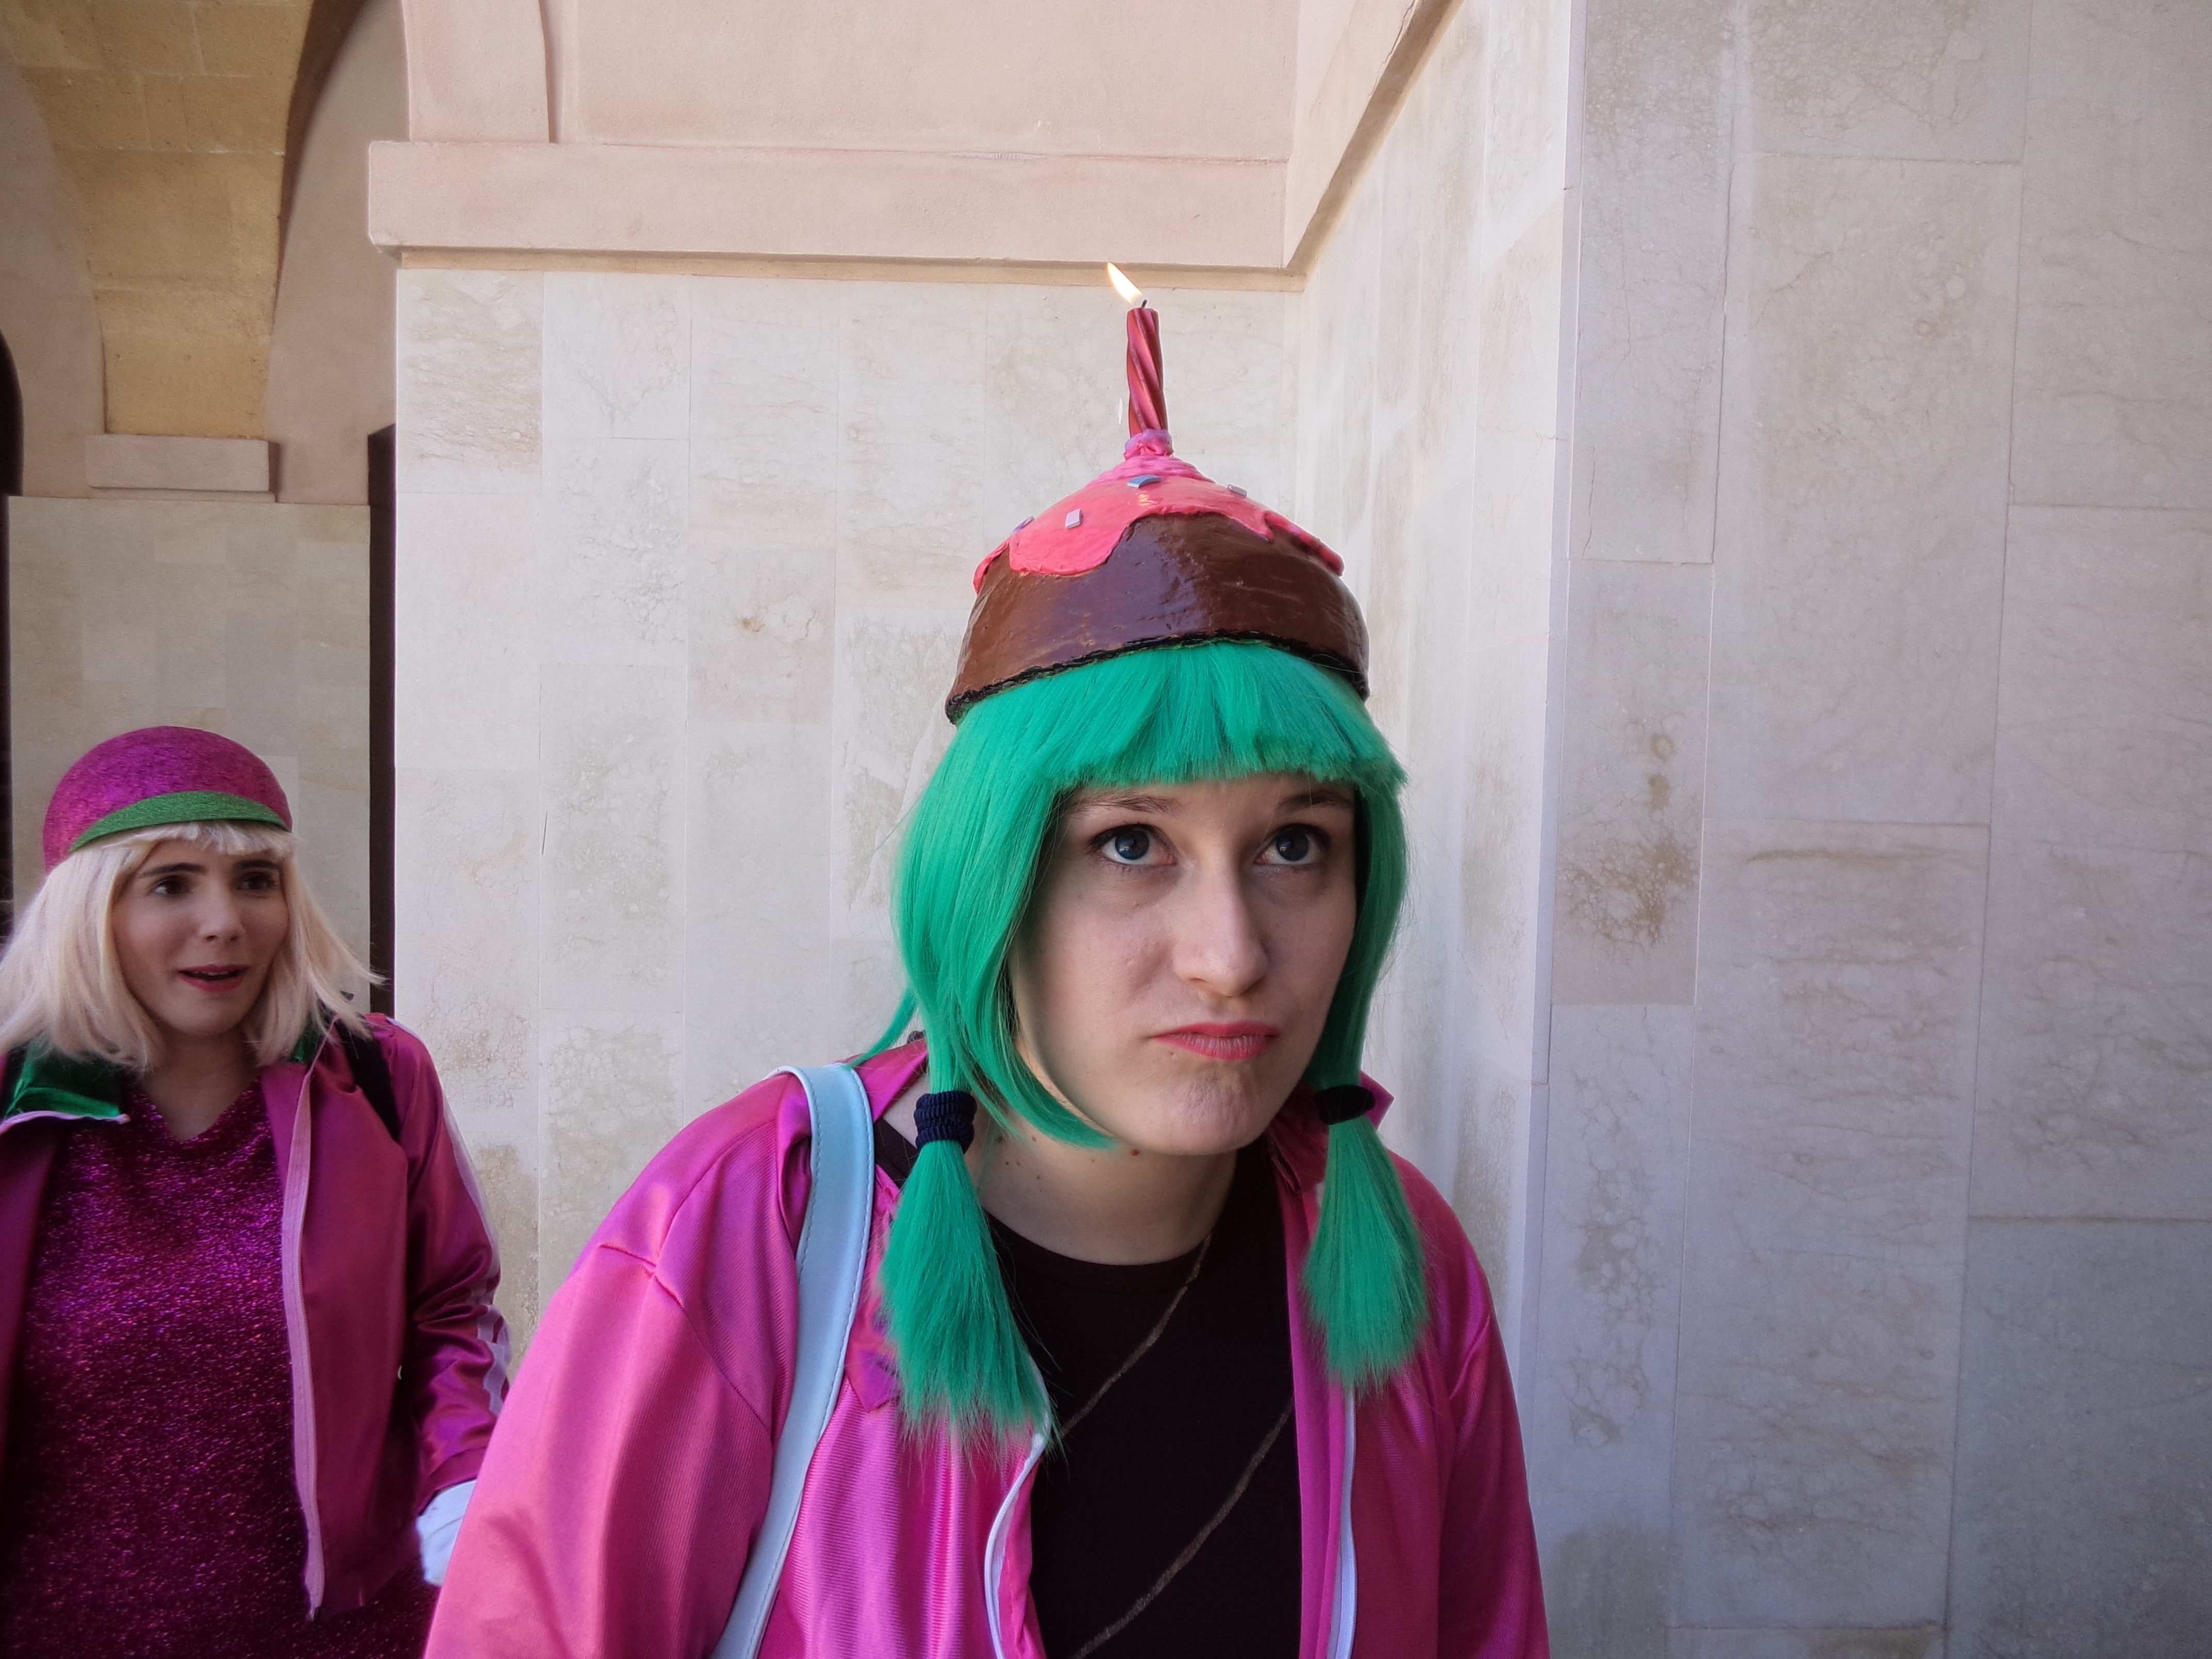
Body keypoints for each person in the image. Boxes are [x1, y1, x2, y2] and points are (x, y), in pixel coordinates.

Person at [429, 292, 1546, 1657]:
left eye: (1295, 844)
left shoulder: (1407, 1264)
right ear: (989, 880)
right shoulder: (750, 1237)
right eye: (1130, 843)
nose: (1231, 956)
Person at [0, 726, 509, 1656]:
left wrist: (464, 1482)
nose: (225, 921)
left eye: (254, 880)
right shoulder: (15, 1102)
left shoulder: (375, 1077)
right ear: (88, 910)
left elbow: (450, 1310)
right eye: (171, 885)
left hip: (349, 1631)